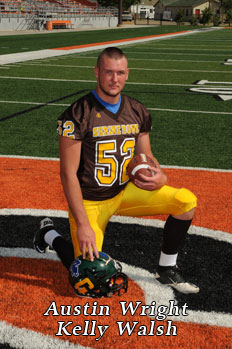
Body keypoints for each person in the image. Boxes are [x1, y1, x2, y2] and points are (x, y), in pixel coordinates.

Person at [34, 47, 199, 295]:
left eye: (120, 72)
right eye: (108, 72)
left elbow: (147, 156)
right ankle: (50, 235)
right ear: (97, 73)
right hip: (90, 201)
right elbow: (68, 174)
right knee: (88, 275)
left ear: (127, 74)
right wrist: (83, 224)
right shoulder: (77, 114)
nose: (114, 79)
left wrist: (161, 175)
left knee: (186, 202)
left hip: (124, 191)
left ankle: (166, 269)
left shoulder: (136, 109)